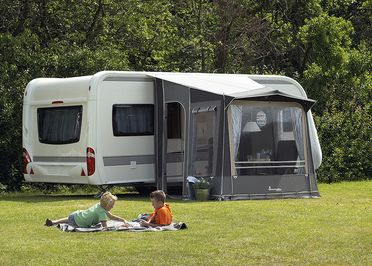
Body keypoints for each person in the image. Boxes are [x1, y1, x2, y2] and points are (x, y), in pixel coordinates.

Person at [44, 191, 130, 228]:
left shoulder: (99, 206)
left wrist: (123, 220)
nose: (112, 207)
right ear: (107, 206)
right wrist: (121, 225)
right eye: (112, 206)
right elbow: (105, 227)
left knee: (68, 219)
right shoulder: (102, 213)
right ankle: (54, 222)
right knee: (69, 221)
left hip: (76, 215)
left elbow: (112, 217)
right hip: (79, 223)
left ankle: (53, 222)